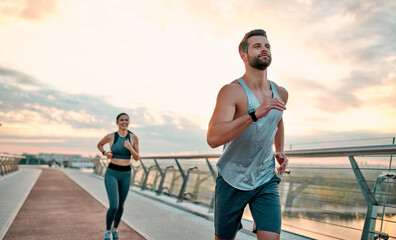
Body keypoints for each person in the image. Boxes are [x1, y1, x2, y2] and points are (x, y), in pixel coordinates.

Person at [207, 29, 289, 240]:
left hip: (265, 177)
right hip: (232, 178)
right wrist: (254, 114)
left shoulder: (281, 92)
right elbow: (213, 138)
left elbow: (278, 122)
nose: (264, 49)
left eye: (267, 46)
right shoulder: (231, 91)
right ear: (243, 55)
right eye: (257, 46)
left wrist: (279, 150)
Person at [97, 112, 140, 240]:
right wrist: (105, 152)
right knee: (114, 205)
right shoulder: (111, 136)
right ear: (117, 122)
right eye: (122, 120)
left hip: (126, 174)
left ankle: (115, 229)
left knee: (121, 206)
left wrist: (129, 148)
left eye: (127, 120)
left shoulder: (133, 138)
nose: (124, 122)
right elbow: (99, 145)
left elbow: (137, 157)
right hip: (112, 173)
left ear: (129, 122)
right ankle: (107, 231)